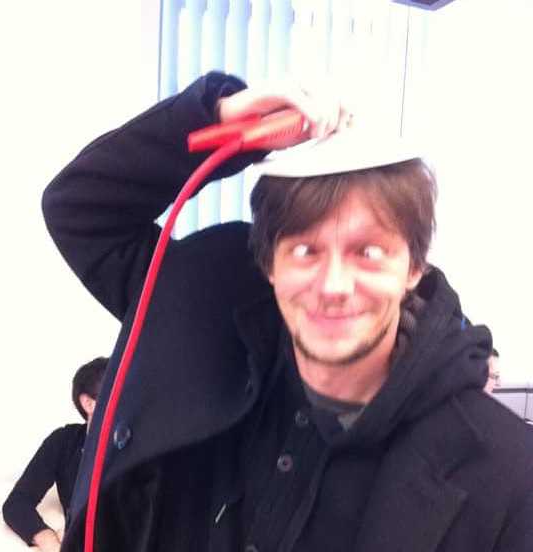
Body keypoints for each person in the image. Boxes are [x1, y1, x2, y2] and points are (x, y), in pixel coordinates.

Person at [42, 72, 533, 552]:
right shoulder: (202, 322)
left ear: (414, 268)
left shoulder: (506, 473)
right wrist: (221, 118)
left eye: (368, 252)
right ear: (269, 264)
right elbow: (81, 207)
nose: (334, 286)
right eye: (304, 251)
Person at [2, 357, 108, 552]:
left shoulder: (140, 444)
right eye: (119, 395)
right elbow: (16, 504)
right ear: (89, 403)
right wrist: (48, 540)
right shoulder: (64, 442)